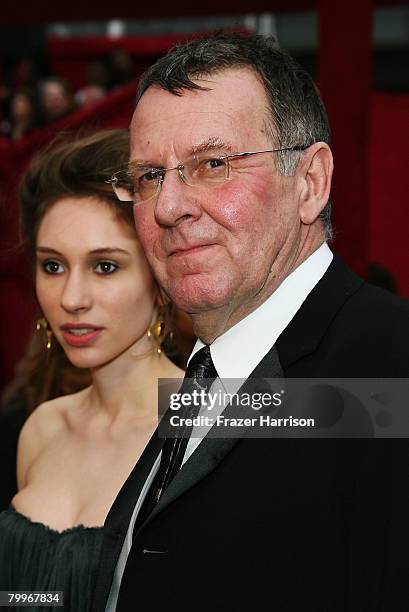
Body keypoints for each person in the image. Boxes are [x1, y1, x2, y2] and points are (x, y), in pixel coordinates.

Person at [93, 33, 409, 611]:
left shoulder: (390, 370)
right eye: (148, 177)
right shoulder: (203, 374)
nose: (168, 207)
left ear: (310, 182)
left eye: (213, 164)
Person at [0, 129, 184, 611]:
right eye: (53, 266)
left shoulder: (211, 423)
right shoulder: (42, 428)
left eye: (105, 266)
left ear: (161, 278)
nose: (71, 299)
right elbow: (30, 596)